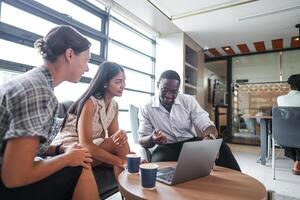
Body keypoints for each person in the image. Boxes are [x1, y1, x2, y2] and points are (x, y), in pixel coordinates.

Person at [0, 25, 99, 200]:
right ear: (70, 55)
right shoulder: (39, 92)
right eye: (86, 59)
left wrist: (60, 149)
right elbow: (14, 176)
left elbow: (18, 147)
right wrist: (67, 159)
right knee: (79, 166)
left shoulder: (33, 82)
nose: (87, 68)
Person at [138, 70, 241, 171]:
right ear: (157, 85)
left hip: (190, 144)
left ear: (178, 89)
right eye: (164, 90)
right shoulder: (146, 107)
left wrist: (209, 138)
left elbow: (207, 125)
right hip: (166, 147)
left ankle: (239, 182)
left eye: (173, 92)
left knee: (221, 146)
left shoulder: (188, 101)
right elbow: (142, 139)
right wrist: (152, 138)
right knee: (159, 162)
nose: (169, 95)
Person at [52, 61, 130, 180]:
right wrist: (121, 161)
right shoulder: (89, 102)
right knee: (127, 157)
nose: (123, 85)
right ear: (105, 83)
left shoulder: (114, 106)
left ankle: (129, 194)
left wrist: (122, 134)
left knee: (129, 153)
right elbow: (85, 144)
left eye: (124, 81)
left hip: (91, 149)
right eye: (118, 82)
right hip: (71, 149)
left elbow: (115, 137)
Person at [277, 73, 300, 175]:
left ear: (290, 86)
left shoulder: (280, 99)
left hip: (284, 136)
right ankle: (298, 161)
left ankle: (296, 160)